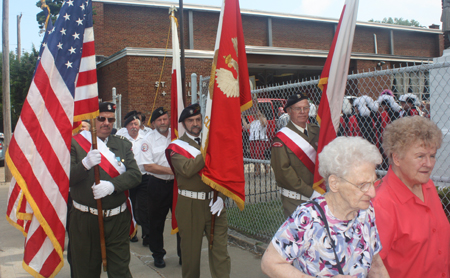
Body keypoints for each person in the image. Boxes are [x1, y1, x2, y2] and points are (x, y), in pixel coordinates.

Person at [262, 136, 390, 278]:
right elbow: (270, 263)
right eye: (362, 185)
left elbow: (375, 264)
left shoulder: (365, 211)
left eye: (373, 182)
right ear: (334, 183)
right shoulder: (308, 217)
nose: (372, 193)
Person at [69, 102, 141, 278]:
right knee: (84, 271)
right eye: (101, 118)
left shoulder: (122, 144)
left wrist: (112, 186)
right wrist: (84, 164)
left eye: (110, 119)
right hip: (85, 220)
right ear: (93, 120)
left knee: (120, 271)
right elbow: (65, 178)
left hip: (116, 219)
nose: (106, 123)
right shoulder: (75, 144)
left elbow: (135, 175)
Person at [372, 116, 450, 278]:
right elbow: (373, 267)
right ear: (397, 158)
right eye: (420, 156)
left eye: (432, 155)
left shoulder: (427, 186)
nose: (429, 164)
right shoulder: (382, 204)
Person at [166, 103, 230, 278]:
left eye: (198, 119)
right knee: (191, 255)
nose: (195, 123)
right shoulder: (176, 147)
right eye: (190, 120)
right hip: (190, 205)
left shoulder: (212, 141)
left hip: (215, 203)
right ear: (183, 124)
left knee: (220, 254)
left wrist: (222, 197)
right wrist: (209, 149)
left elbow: (224, 172)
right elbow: (187, 169)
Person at [141, 107, 180, 268]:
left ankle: (183, 254)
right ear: (154, 123)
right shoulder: (148, 140)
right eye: (159, 120)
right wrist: (173, 171)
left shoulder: (177, 134)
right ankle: (158, 254)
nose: (163, 122)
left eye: (165, 119)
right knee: (156, 223)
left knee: (181, 221)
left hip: (177, 185)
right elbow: (148, 166)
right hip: (157, 185)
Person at [271, 93, 321, 218]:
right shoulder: (281, 139)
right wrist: (311, 192)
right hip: (296, 200)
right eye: (298, 108)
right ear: (288, 111)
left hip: (320, 194)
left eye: (306, 108)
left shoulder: (317, 131)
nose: (303, 112)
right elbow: (283, 172)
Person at [121, 111, 151, 246]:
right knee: (130, 206)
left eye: (136, 124)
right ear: (126, 127)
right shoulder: (121, 139)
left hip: (143, 177)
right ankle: (132, 232)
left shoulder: (146, 138)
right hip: (128, 177)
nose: (133, 126)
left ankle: (146, 234)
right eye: (131, 124)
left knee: (144, 207)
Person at [249, 109, 269, 175]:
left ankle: (264, 167)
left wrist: (260, 116)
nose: (255, 115)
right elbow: (246, 127)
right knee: (254, 155)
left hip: (260, 139)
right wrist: (243, 118)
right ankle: (259, 169)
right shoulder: (253, 122)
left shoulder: (263, 119)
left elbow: (263, 124)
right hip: (253, 139)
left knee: (259, 154)